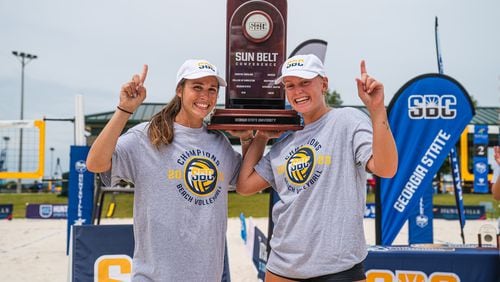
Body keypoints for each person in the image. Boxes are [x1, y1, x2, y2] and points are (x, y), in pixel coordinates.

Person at [86, 59, 252, 281]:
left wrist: (247, 138)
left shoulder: (218, 141)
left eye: (212, 89)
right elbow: (95, 164)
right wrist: (125, 109)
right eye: (197, 87)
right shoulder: (147, 136)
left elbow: (246, 184)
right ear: (179, 90)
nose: (206, 95)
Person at [237, 54, 398, 281]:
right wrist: (261, 137)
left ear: (324, 84)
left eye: (305, 82)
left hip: (339, 269)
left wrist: (377, 109)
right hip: (282, 268)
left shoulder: (347, 120)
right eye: (290, 85)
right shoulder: (286, 140)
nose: (297, 91)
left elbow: (386, 168)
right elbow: (245, 186)